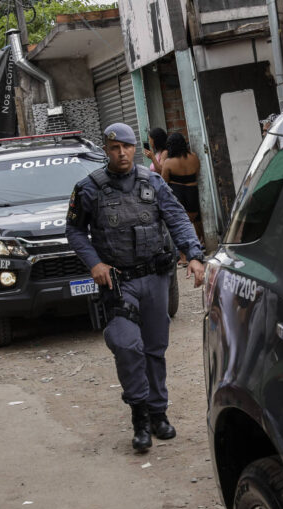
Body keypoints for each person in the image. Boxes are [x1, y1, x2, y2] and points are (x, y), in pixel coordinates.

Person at [65, 123, 205, 453]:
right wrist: (94, 263)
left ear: (134, 148)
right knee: (127, 344)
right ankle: (139, 416)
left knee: (155, 348)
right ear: (106, 150)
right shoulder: (89, 188)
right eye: (115, 148)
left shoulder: (152, 181)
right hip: (118, 282)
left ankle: (158, 414)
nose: (122, 153)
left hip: (155, 278)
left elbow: (177, 218)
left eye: (127, 147)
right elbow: (74, 231)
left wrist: (194, 255)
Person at [161, 132, 204, 254]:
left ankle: (184, 254)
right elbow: (197, 173)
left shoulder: (169, 162)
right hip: (193, 191)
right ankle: (201, 243)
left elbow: (164, 181)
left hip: (178, 193)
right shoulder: (194, 157)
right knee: (196, 219)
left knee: (181, 224)